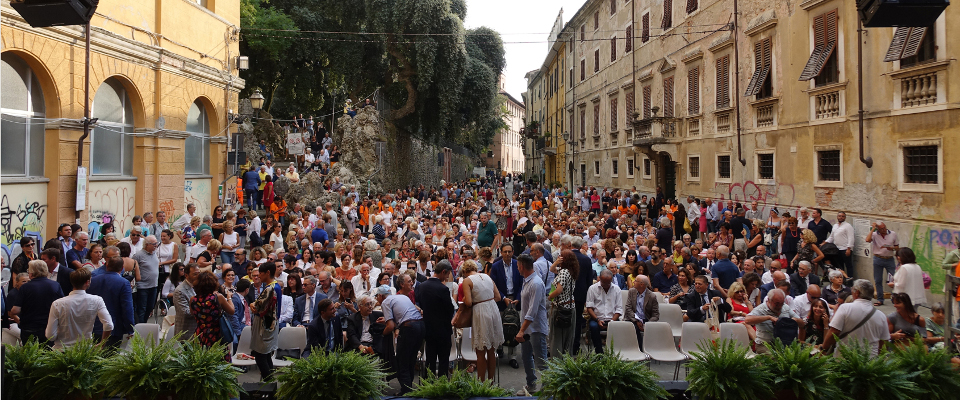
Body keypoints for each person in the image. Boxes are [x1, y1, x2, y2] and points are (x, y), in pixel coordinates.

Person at [819, 279, 890, 357]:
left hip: (845, 358)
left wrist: (824, 348)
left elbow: (834, 332)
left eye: (852, 290)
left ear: (857, 293)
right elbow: (884, 342)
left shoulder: (845, 308)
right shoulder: (881, 315)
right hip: (871, 361)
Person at [44, 268, 113, 348]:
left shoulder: (57, 304)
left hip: (62, 350)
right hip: (85, 349)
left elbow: (50, 335)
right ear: (87, 282)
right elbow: (109, 324)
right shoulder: (97, 300)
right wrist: (102, 344)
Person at [379, 274, 424, 395]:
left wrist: (382, 334)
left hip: (409, 328)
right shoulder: (403, 297)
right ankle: (409, 389)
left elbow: (390, 327)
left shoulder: (385, 302)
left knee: (401, 361)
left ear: (380, 296)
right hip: (420, 326)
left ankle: (406, 391)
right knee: (410, 359)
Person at [461, 259, 504, 381]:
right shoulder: (487, 277)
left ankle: (481, 383)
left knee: (480, 351)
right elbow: (498, 297)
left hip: (480, 312)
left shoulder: (467, 281)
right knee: (491, 350)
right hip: (493, 309)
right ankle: (491, 382)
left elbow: (468, 302)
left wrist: (467, 299)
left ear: (465, 271)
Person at [512, 254, 548, 396]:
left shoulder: (536, 283)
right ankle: (531, 385)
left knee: (541, 362)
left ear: (521, 266)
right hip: (527, 328)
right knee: (526, 357)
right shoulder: (527, 281)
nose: (517, 268)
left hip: (536, 328)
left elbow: (532, 311)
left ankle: (547, 390)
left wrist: (521, 330)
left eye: (517, 266)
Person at [415, 259, 455, 378]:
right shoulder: (443, 289)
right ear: (443, 272)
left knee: (430, 359)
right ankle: (442, 385)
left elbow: (421, 303)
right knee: (443, 360)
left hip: (428, 328)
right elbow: (449, 309)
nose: (447, 277)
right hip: (443, 329)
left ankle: (428, 385)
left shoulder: (422, 286)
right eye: (448, 274)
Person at [9, 260, 65, 345]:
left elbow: (15, 310)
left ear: (31, 273)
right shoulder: (55, 285)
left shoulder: (25, 288)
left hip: (29, 329)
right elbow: (62, 305)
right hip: (49, 327)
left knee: (30, 355)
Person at [88, 256, 135, 348]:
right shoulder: (123, 283)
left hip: (94, 325)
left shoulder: (93, 280)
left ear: (106, 266)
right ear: (122, 268)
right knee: (111, 357)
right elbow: (127, 308)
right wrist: (130, 328)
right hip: (114, 327)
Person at [191, 271, 236, 360]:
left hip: (200, 334)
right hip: (216, 335)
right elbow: (232, 311)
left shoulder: (193, 299)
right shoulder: (217, 297)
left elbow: (193, 313)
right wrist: (229, 298)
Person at [250, 262, 283, 382]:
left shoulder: (270, 288)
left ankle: (268, 383)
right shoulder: (277, 286)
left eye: (261, 274)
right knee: (266, 354)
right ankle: (270, 383)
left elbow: (257, 306)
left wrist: (251, 304)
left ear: (268, 273)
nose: (258, 276)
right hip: (271, 323)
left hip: (265, 324)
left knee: (260, 355)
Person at [745, 288, 804, 354]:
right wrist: (768, 317)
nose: (779, 306)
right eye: (777, 304)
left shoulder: (785, 307)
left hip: (784, 344)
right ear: (769, 300)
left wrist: (795, 320)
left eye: (781, 303)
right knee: (774, 358)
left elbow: (802, 324)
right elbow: (747, 320)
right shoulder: (760, 309)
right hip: (765, 344)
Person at [548, 250, 578, 357]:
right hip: (570, 307)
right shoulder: (571, 271)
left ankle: (556, 362)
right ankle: (566, 362)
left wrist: (550, 296)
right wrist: (556, 262)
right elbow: (552, 269)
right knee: (568, 338)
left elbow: (559, 290)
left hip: (561, 308)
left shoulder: (564, 272)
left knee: (557, 338)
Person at [586, 269, 623, 354]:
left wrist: (612, 321)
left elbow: (619, 308)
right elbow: (589, 307)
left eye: (608, 283)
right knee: (594, 327)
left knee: (618, 327)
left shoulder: (616, 289)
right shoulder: (592, 289)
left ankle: (614, 352)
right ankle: (599, 353)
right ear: (599, 279)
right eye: (604, 283)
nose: (606, 285)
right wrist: (597, 320)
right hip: (597, 318)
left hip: (612, 318)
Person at [865, 221, 899, 305]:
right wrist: (872, 229)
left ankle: (895, 298)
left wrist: (892, 248)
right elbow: (867, 240)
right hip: (878, 259)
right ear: (878, 229)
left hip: (889, 259)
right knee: (878, 280)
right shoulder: (874, 234)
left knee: (893, 279)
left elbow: (897, 247)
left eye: (884, 227)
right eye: (881, 229)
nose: (884, 230)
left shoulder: (893, 234)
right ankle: (880, 299)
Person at [623, 275, 659, 348]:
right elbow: (628, 308)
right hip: (632, 318)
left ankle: (646, 350)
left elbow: (656, 315)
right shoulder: (632, 292)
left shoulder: (652, 296)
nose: (633, 282)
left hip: (646, 320)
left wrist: (647, 324)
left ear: (642, 284)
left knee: (650, 329)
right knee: (634, 328)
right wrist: (636, 321)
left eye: (636, 281)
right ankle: (638, 349)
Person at [132, 235, 161, 324]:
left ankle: (144, 324)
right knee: (142, 308)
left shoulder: (154, 253)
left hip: (154, 285)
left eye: (156, 243)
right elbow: (133, 269)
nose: (156, 245)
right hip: (143, 286)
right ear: (147, 245)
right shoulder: (138, 255)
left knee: (150, 307)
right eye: (154, 244)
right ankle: (140, 328)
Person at [173, 263, 201, 339]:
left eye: (199, 273)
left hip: (199, 332)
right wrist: (204, 310)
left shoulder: (200, 286)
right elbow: (185, 312)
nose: (198, 276)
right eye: (195, 274)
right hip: (186, 333)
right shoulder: (180, 291)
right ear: (186, 275)